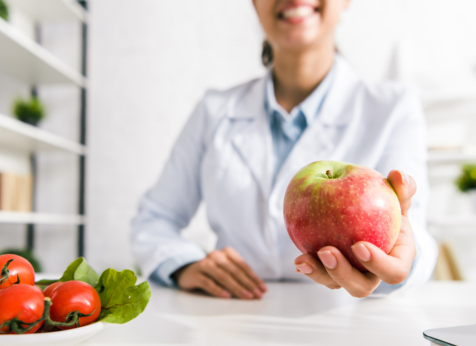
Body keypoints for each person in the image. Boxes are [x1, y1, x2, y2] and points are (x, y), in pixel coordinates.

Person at [131, 0, 437, 299]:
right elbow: (155, 219)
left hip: (349, 320)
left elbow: (414, 233)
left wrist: (398, 265)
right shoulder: (214, 110)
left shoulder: (394, 108)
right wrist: (182, 264)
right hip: (231, 314)